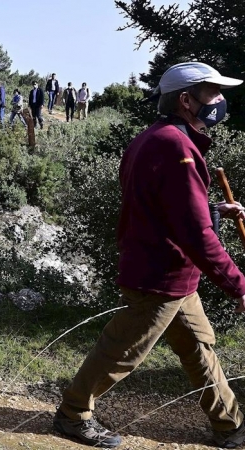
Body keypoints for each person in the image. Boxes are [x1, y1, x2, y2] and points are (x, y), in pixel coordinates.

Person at [53, 61, 245, 449]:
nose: (221, 99)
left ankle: (230, 427)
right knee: (122, 350)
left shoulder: (157, 138)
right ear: (187, 101)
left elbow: (165, 206)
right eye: (213, 92)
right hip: (159, 275)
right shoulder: (176, 147)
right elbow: (192, 231)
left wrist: (209, 208)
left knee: (198, 348)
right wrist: (238, 285)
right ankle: (73, 415)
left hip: (172, 273)